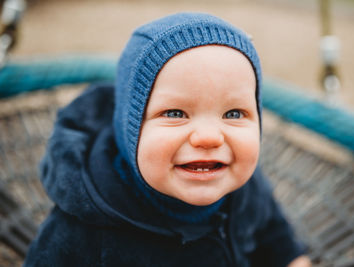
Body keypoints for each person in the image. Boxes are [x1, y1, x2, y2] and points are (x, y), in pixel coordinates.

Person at [24, 12, 311, 267]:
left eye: (234, 113)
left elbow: (273, 234)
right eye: (175, 112)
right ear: (131, 126)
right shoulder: (84, 231)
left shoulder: (247, 187)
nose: (209, 137)